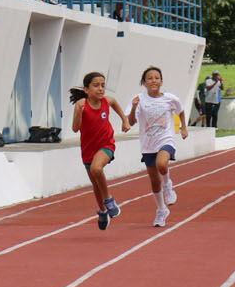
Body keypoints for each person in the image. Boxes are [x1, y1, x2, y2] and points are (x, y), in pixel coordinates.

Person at [127, 65, 188, 227]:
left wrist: (183, 127)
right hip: (148, 145)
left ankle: (168, 185)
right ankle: (162, 210)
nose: (153, 80)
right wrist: (133, 107)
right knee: (154, 181)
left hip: (165, 139)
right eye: (149, 78)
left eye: (157, 78)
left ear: (161, 81)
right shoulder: (139, 99)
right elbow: (131, 121)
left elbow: (180, 110)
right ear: (144, 83)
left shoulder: (170, 98)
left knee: (162, 164)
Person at [70, 71, 131, 231]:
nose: (100, 89)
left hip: (106, 144)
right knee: (96, 184)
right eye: (96, 86)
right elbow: (75, 128)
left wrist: (125, 121)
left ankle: (109, 200)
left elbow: (116, 105)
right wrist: (78, 112)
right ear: (86, 90)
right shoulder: (82, 105)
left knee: (97, 168)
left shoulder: (107, 101)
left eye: (103, 85)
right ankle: (103, 211)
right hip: (88, 149)